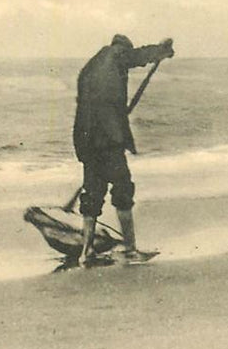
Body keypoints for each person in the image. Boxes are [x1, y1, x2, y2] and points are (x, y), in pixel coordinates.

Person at [73, 34, 175, 264]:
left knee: (92, 192)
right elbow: (138, 56)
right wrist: (161, 50)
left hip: (85, 138)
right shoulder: (116, 54)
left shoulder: (91, 65)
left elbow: (96, 100)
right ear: (121, 48)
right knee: (123, 189)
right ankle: (130, 249)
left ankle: (86, 252)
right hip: (107, 138)